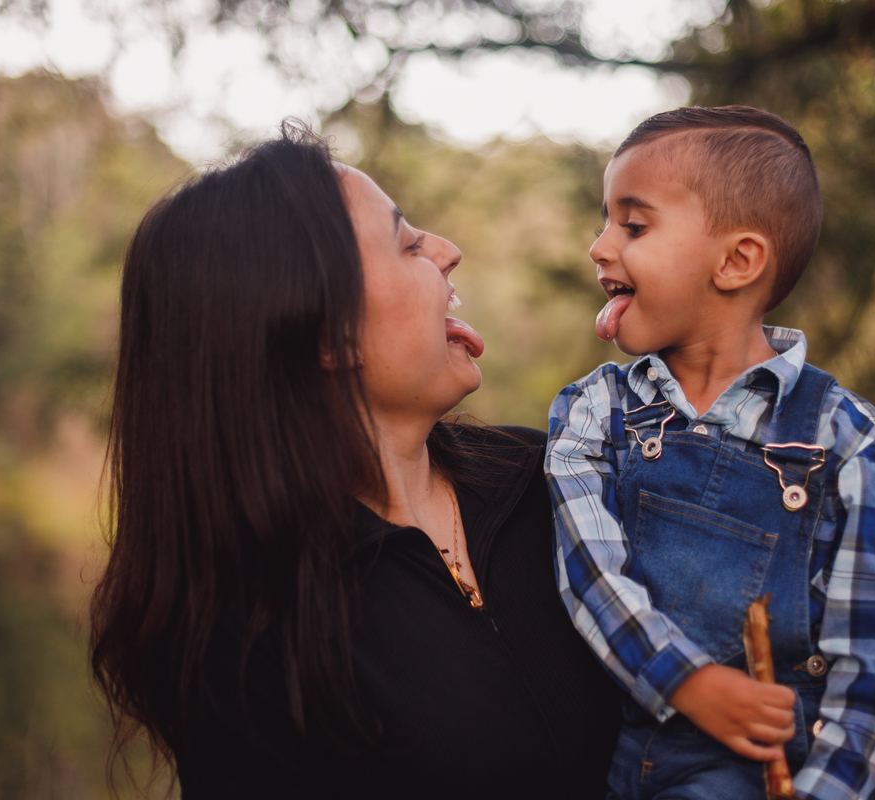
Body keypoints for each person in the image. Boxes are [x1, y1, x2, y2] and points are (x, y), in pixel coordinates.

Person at [89, 122, 621, 798]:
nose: (449, 251)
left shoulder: (556, 476)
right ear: (326, 334)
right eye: (407, 245)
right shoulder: (251, 641)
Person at [545, 106, 875, 800]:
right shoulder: (594, 412)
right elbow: (591, 576)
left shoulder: (859, 450)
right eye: (604, 220)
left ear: (736, 261)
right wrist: (684, 680)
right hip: (603, 764)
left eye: (633, 225)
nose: (599, 246)